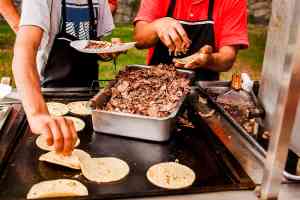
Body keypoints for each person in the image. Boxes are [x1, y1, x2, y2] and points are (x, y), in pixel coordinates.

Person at [12, 0, 115, 155]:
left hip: (89, 93)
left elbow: (94, 43)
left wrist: (108, 50)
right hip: (49, 94)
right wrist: (38, 113)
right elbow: (25, 48)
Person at [134, 0, 249, 81]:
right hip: (155, 83)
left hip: (202, 90)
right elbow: (139, 40)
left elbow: (227, 59)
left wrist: (209, 60)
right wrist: (156, 26)